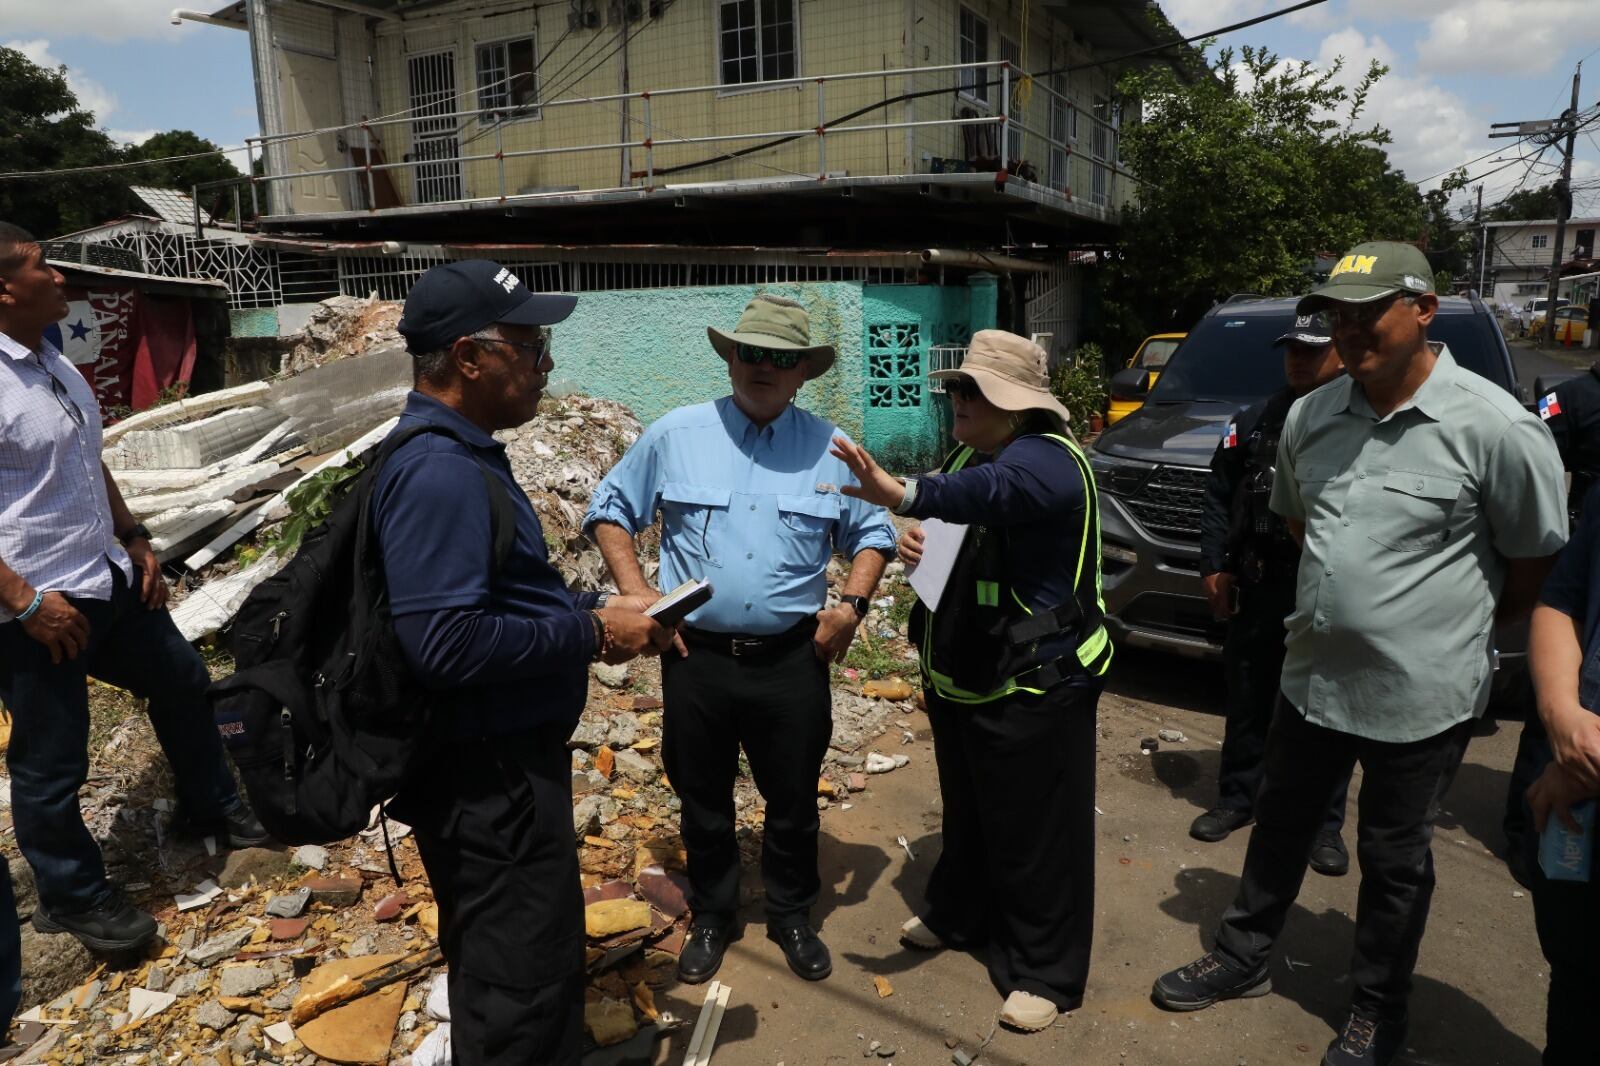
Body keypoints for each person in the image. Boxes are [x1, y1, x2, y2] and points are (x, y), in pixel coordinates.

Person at [1150, 241, 1568, 1066]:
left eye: (1369, 312)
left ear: (1423, 310)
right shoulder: (1312, 415)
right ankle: (1242, 958)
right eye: (1339, 315)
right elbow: (1305, 525)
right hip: (1311, 681)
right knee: (1277, 829)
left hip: (1425, 697)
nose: (1349, 331)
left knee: (1394, 862)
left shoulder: (1497, 429)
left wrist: (1439, 629)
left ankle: (1379, 1009)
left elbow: (1532, 568)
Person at [374, 260, 673, 1065]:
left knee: (532, 949)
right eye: (531, 345)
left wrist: (595, 610)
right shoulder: (439, 472)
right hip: (483, 781)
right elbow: (443, 644)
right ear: (470, 358)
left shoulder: (467, 455)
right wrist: (593, 636)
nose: (546, 364)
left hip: (504, 767)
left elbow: (501, 600)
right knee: (518, 973)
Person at [585, 294, 896, 987]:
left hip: (792, 660)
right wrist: (640, 598)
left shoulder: (830, 446)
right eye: (750, 352)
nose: (762, 367)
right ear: (730, 358)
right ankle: (715, 914)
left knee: (791, 798)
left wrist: (852, 606)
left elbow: (874, 533)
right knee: (702, 797)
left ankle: (790, 913)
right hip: (697, 658)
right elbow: (609, 510)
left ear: (801, 374)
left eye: (780, 358)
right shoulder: (676, 434)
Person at [830, 330, 1110, 1033]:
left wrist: (901, 491)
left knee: (1040, 831)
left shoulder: (1048, 461)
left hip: (1036, 684)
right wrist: (914, 532)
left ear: (1014, 406)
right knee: (973, 812)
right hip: (968, 676)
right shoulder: (972, 453)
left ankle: (1046, 970)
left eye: (971, 391)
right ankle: (961, 914)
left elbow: (995, 494)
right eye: (954, 388)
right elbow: (958, 514)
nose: (955, 400)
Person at [0, 222, 267, 957]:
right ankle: (71, 896)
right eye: (43, 268)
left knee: (182, 678)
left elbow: (89, 459)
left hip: (103, 579)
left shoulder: (53, 361)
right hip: (35, 607)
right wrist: (23, 602)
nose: (59, 279)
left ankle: (208, 805)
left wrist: (135, 535)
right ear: (4, 289)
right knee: (53, 758)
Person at [1193, 314, 1353, 875]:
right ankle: (1238, 798)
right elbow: (1218, 493)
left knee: (1325, 710)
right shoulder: (1256, 419)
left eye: (1312, 350)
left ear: (1340, 352)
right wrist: (1215, 566)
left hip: (1327, 589)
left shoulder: (1359, 418)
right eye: (1291, 349)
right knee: (1248, 697)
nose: (1297, 360)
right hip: (1261, 585)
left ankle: (1325, 825)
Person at [1525, 480, 1600, 1066]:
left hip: (1577, 782)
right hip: (1576, 807)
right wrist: (1563, 718)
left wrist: (1585, 767)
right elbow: (1561, 601)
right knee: (1575, 983)